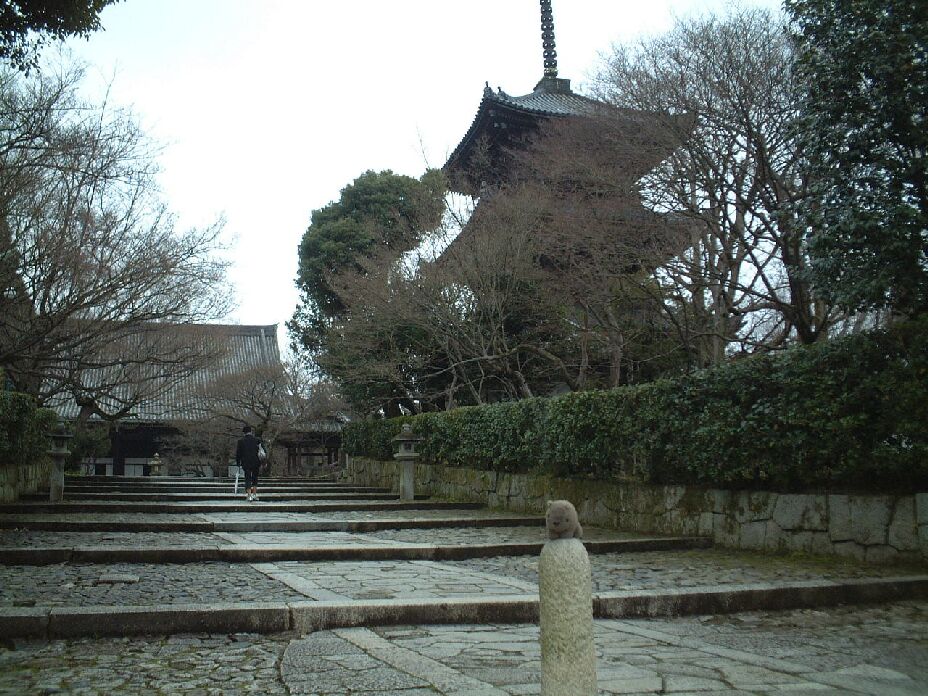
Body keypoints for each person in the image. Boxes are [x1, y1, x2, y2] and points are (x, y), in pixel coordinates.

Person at [235, 425, 263, 501]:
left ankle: (249, 495)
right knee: (255, 478)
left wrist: (238, 462)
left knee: (247, 478)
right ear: (251, 431)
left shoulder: (241, 441)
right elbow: (262, 451)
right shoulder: (257, 440)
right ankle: (254, 494)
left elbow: (238, 453)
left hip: (246, 462)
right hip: (256, 461)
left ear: (244, 433)